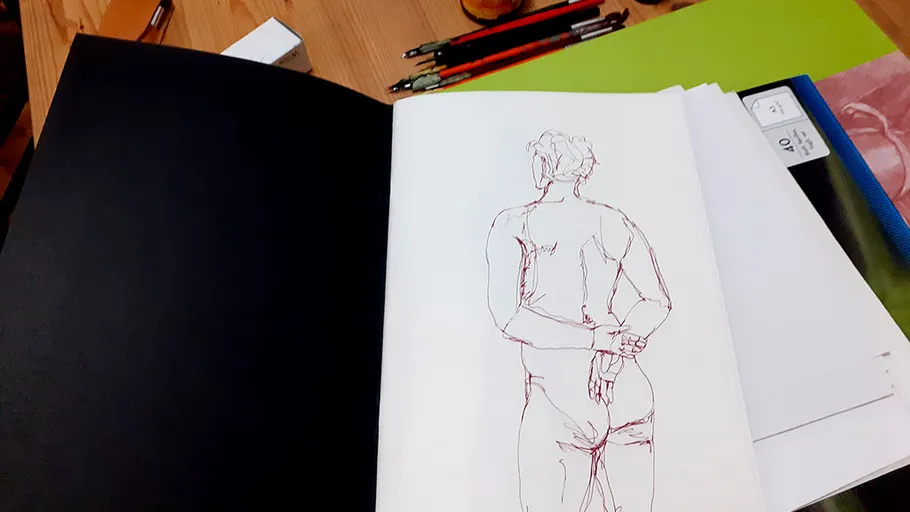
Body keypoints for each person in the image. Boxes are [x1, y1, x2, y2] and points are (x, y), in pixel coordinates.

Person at [486, 130, 672, 512]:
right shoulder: (612, 221)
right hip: (624, 389)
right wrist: (615, 345)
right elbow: (657, 301)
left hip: (559, 398)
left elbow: (510, 318)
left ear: (542, 167)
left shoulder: (514, 224)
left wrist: (597, 341)